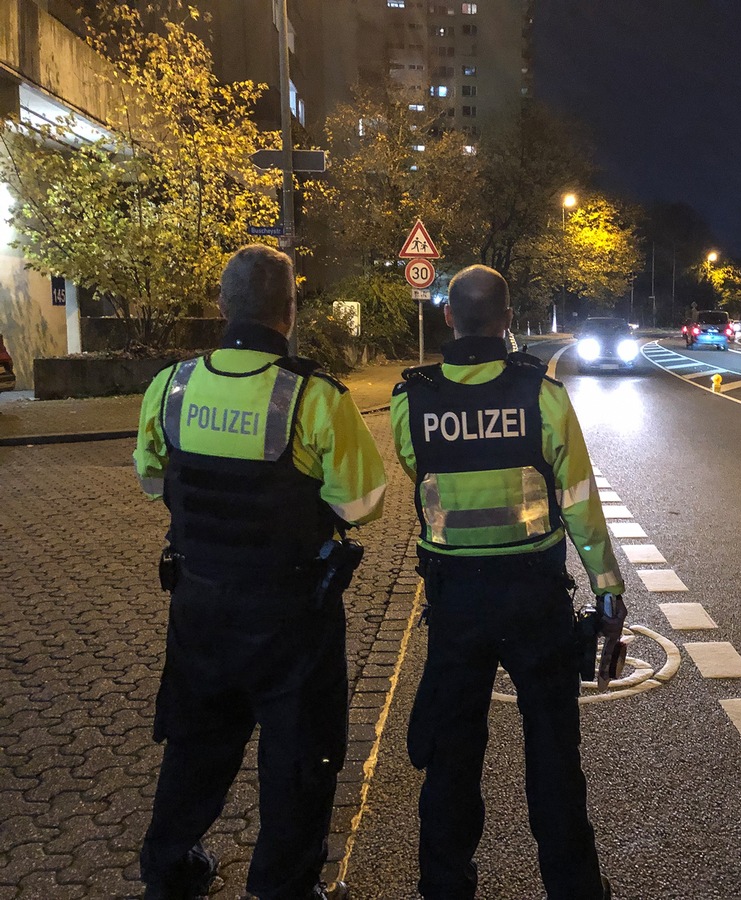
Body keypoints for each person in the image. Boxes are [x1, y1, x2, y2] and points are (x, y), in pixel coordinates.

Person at [133, 244, 387, 900]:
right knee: (300, 759)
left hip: (199, 603)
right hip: (290, 617)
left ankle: (169, 871)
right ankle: (281, 887)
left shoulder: (172, 385)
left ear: (222, 306)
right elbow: (362, 505)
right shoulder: (315, 396)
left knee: (193, 743)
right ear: (289, 312)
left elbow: (152, 479)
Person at [391, 265, 624, 900]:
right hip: (534, 600)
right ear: (508, 320)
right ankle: (573, 889)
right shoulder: (541, 395)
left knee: (451, 758)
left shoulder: (410, 400)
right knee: (553, 757)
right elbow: (578, 500)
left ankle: (444, 885)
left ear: (448, 318)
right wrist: (608, 589)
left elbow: (420, 472)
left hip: (454, 601)